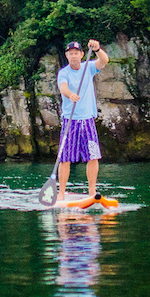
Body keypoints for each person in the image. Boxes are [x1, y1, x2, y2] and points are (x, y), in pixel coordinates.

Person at [56, 38, 109, 201]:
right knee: (65, 158)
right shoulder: (63, 73)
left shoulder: (89, 67)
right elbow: (62, 86)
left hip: (87, 120)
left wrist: (98, 48)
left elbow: (104, 61)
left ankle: (92, 192)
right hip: (70, 120)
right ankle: (61, 193)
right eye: (70, 54)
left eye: (76, 53)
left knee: (93, 156)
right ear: (67, 56)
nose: (73, 56)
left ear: (81, 55)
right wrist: (69, 94)